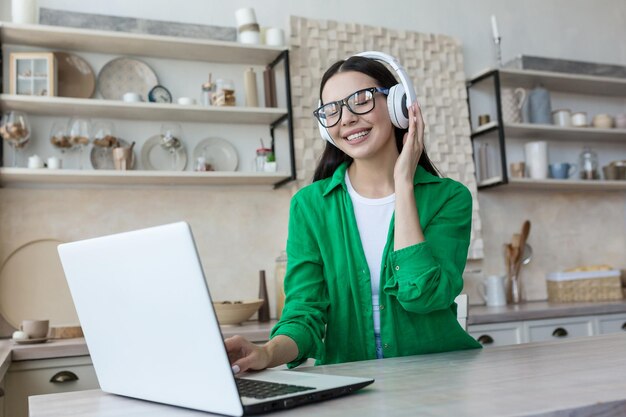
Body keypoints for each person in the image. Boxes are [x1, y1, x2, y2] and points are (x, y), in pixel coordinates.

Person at [225, 54, 480, 374]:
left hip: (439, 375)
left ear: (399, 105)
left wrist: (404, 183)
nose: (345, 118)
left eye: (360, 100)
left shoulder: (449, 197)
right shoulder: (310, 206)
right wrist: (266, 353)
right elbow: (304, 312)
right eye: (331, 110)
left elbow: (424, 297)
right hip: (350, 380)